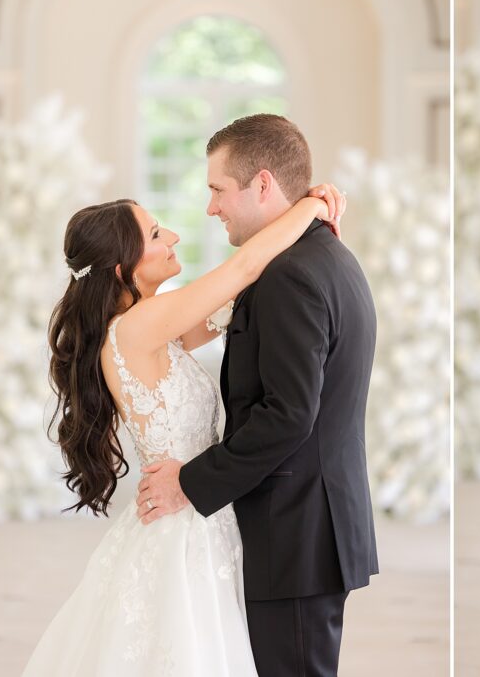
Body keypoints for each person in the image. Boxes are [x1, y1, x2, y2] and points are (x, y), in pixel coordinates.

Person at [133, 114, 378, 677]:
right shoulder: (316, 254)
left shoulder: (288, 274)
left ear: (262, 184)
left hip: (294, 534)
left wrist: (187, 485)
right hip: (306, 528)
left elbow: (288, 416)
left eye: (218, 189)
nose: (210, 207)